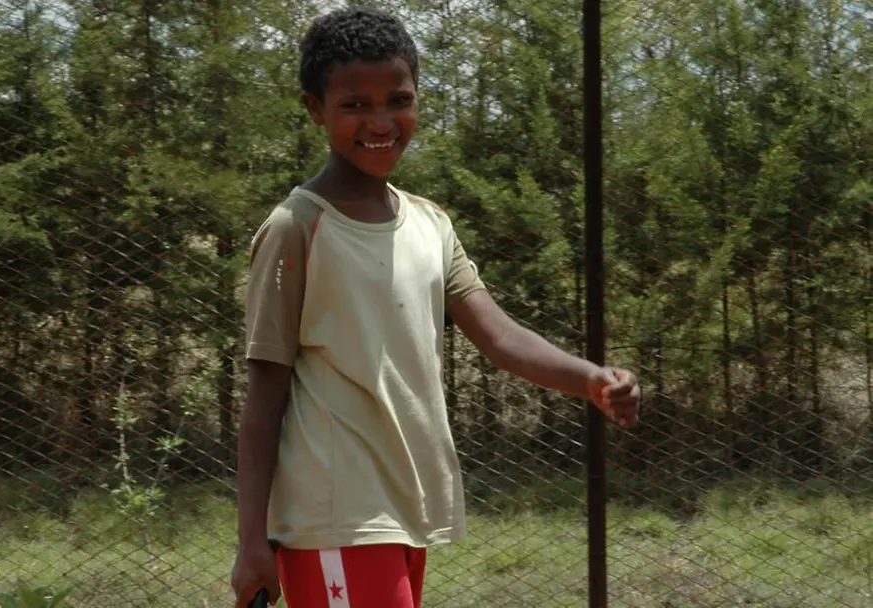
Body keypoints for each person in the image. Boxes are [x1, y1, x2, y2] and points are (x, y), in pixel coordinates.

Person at [230, 7, 641, 608]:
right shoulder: (297, 228)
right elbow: (264, 397)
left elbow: (498, 335)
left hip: (405, 507)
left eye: (397, 99)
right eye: (354, 105)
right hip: (336, 513)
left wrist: (591, 381)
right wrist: (250, 544)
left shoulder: (429, 223)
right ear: (315, 109)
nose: (380, 121)